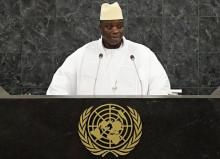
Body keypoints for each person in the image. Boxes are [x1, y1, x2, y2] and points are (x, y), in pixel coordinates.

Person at [47, 2, 170, 95]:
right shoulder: (83, 55)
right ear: (100, 28)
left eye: (119, 26)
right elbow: (58, 89)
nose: (115, 31)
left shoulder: (143, 54)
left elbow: (161, 87)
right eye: (109, 27)